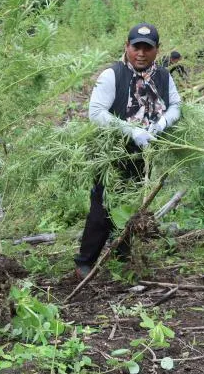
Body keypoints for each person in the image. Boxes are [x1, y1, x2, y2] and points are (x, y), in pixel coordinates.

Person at [75, 23, 182, 279]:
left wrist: (164, 122)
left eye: (148, 48)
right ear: (127, 47)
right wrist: (131, 130)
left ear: (157, 50)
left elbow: (176, 105)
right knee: (102, 208)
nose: (141, 53)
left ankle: (124, 255)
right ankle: (84, 262)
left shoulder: (164, 76)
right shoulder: (113, 75)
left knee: (133, 205)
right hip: (111, 153)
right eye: (136, 47)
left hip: (142, 154)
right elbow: (96, 113)